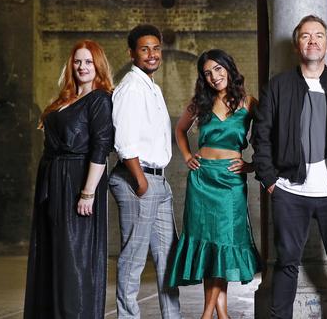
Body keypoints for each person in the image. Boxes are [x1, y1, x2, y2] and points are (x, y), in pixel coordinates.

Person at [253, 14, 327, 319]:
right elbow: (261, 134)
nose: (313, 41)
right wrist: (269, 180)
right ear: (297, 44)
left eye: (319, 35)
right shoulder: (278, 87)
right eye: (306, 36)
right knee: (287, 262)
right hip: (290, 190)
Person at [169, 49, 262, 319]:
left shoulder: (248, 103)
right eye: (208, 73)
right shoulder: (199, 103)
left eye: (218, 69)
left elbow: (266, 138)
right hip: (202, 179)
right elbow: (180, 129)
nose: (214, 76)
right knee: (209, 245)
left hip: (231, 181)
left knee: (223, 243)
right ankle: (221, 313)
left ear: (229, 69)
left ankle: (207, 313)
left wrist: (252, 164)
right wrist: (187, 156)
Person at [24, 39, 114, 318]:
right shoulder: (65, 100)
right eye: (78, 61)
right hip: (52, 182)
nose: (82, 67)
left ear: (98, 65)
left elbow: (101, 146)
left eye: (88, 61)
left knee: (73, 258)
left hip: (77, 181)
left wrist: (88, 192)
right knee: (51, 254)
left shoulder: (99, 99)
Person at [109, 24, 181, 318]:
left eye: (156, 48)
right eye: (144, 49)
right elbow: (124, 141)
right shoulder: (130, 88)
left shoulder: (152, 87)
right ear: (132, 53)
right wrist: (140, 181)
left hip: (158, 181)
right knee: (134, 257)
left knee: (168, 259)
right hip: (138, 180)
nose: (152, 54)